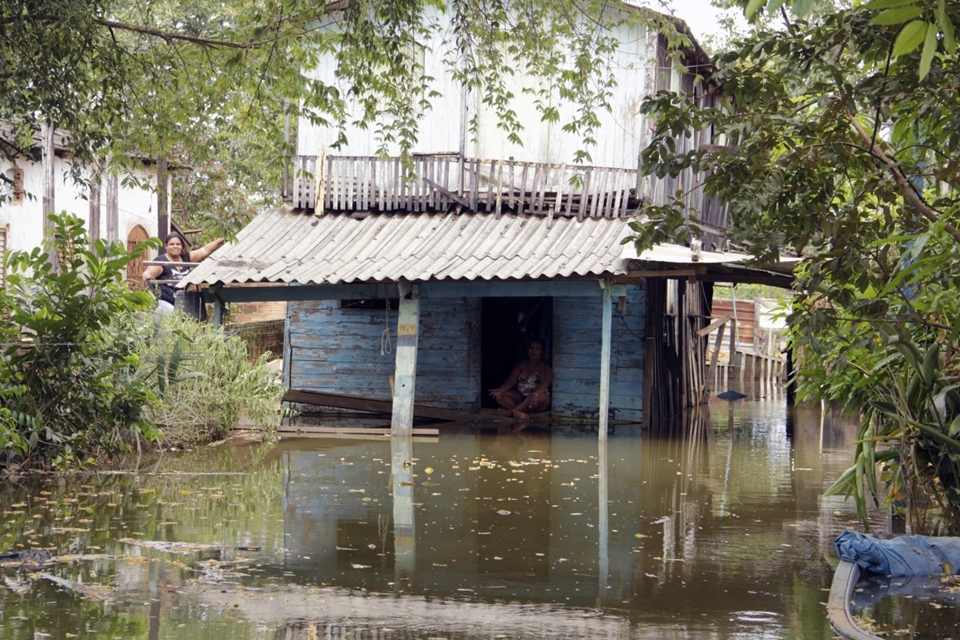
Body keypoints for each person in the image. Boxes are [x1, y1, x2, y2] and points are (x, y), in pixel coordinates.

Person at [142, 232, 225, 314]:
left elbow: (204, 250)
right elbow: (149, 272)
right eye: (171, 244)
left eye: (178, 244)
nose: (175, 246)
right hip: (166, 304)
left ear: (182, 246)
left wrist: (221, 240)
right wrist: (147, 274)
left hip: (184, 304)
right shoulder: (161, 261)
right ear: (166, 246)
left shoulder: (186, 258)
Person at [489, 337, 553, 420]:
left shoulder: (545, 366)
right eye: (531, 348)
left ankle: (510, 413)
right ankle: (521, 413)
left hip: (536, 398)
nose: (533, 351)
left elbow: (544, 383)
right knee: (500, 396)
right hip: (520, 398)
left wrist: (535, 394)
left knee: (539, 397)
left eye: (537, 349)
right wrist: (501, 389)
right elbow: (511, 380)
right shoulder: (522, 364)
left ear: (542, 352)